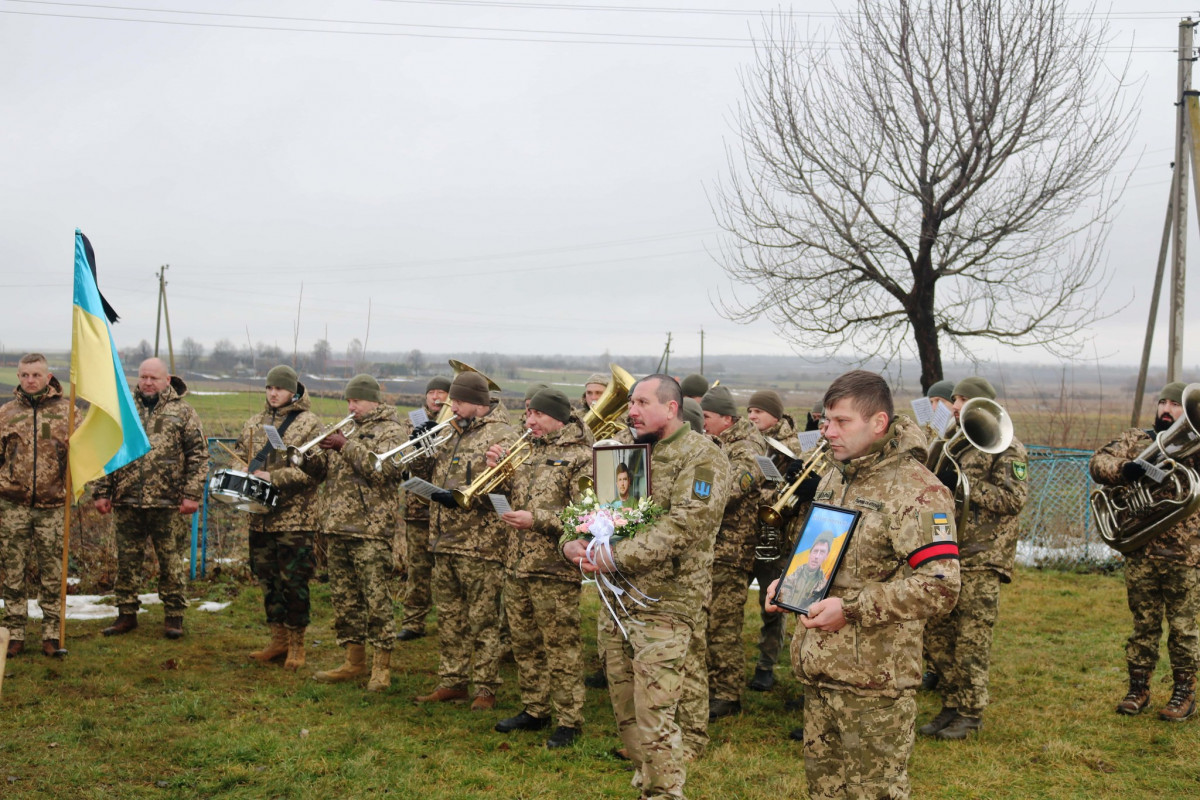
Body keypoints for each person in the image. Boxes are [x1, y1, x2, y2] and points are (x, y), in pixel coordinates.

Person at [765, 370, 959, 800]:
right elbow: (830, 553)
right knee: (825, 791)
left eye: (840, 422)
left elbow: (941, 586)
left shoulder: (918, 492)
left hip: (874, 684)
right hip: (820, 671)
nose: (827, 431)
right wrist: (792, 585)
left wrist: (850, 609)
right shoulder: (838, 475)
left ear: (879, 423)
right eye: (826, 420)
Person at [563, 374, 729, 800]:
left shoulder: (703, 458)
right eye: (630, 402)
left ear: (671, 408)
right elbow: (594, 512)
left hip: (666, 603)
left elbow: (686, 526)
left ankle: (665, 793)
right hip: (616, 603)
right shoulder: (624, 452)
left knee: (654, 713)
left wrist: (616, 556)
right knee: (627, 713)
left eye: (640, 402)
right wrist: (573, 541)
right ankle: (648, 779)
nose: (630, 410)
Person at [920, 376, 1028, 740]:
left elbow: (1013, 500)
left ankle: (971, 712)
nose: (955, 404)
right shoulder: (953, 441)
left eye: (963, 398)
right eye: (954, 398)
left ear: (982, 405)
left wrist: (965, 484)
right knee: (938, 634)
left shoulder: (1007, 446)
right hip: (948, 551)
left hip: (983, 557)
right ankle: (951, 704)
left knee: (971, 639)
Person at [1091, 381, 1200, 722]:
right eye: (1163, 402)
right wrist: (1124, 470)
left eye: (1175, 404)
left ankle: (1184, 694)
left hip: (1186, 555)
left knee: (1184, 629)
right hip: (1141, 551)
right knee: (1143, 626)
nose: (1167, 409)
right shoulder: (1136, 439)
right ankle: (1138, 688)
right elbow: (1098, 462)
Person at [489, 388, 591, 748]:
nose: (529, 420)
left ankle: (569, 719)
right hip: (517, 563)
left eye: (537, 415)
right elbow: (508, 498)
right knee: (525, 643)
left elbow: (586, 514)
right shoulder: (527, 449)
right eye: (528, 414)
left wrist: (539, 520)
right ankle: (534, 708)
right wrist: (497, 473)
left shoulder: (581, 457)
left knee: (561, 647)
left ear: (558, 419)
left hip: (553, 567)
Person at [415, 370, 516, 711]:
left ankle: (486, 687)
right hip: (444, 541)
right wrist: (421, 444)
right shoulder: (450, 430)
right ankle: (452, 680)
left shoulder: (502, 435)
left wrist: (463, 498)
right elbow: (420, 473)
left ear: (476, 403)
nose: (451, 406)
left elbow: (509, 490)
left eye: (457, 401)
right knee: (449, 616)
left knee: (485, 620)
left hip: (482, 544)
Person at [94, 358, 207, 640]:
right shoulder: (124, 410)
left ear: (167, 380)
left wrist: (192, 494)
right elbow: (105, 451)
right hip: (127, 499)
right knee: (127, 562)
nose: (147, 382)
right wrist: (102, 491)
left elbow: (199, 455)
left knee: (170, 562)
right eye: (143, 377)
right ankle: (126, 614)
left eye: (153, 378)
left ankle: (173, 617)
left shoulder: (183, 412)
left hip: (168, 504)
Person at [311, 374, 406, 692]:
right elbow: (325, 473)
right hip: (338, 525)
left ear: (374, 401)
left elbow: (387, 470)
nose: (351, 406)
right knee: (344, 598)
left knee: (376, 599)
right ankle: (353, 660)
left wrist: (345, 446)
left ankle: (382, 666)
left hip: (370, 528)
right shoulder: (347, 429)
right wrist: (309, 459)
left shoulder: (392, 430)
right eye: (348, 400)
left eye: (357, 401)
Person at [235, 365, 325, 671]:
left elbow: (317, 472)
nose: (273, 393)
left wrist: (272, 476)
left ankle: (297, 645)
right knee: (268, 580)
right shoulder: (254, 422)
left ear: (294, 391)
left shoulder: (309, 424)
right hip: (259, 517)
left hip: (294, 520)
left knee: (294, 583)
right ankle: (278, 640)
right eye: (269, 388)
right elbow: (240, 456)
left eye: (280, 388)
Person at [0, 354, 80, 657]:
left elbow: (82, 457)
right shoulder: (6, 413)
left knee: (52, 572)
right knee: (13, 570)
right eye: (24, 375)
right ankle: (15, 633)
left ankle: (50, 634)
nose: (30, 380)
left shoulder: (69, 413)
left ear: (48, 378)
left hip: (53, 506)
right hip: (13, 506)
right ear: (18, 377)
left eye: (36, 374)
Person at [700, 385, 769, 723]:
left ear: (727, 419)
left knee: (723, 625)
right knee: (707, 621)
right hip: (713, 548)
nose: (702, 423)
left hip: (730, 551)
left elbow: (733, 487)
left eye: (707, 417)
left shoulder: (747, 448)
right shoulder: (720, 441)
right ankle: (711, 686)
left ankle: (727, 693)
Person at [745, 388, 802, 692]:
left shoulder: (791, 447)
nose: (752, 416)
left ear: (775, 415)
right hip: (745, 535)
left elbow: (790, 494)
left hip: (775, 537)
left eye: (758, 411)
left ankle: (766, 665)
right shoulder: (751, 441)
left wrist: (754, 495)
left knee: (771, 605)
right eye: (749, 411)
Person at [396, 375, 451, 642]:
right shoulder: (412, 419)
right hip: (418, 508)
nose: (437, 398)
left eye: (443, 393)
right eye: (433, 393)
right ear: (426, 396)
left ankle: (449, 621)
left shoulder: (455, 423)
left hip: (448, 509)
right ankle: (414, 621)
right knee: (418, 568)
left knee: (448, 572)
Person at [786, 532, 834, 611]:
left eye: (822, 552)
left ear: (826, 556)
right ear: (810, 553)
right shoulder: (791, 574)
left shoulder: (823, 584)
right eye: (815, 551)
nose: (816, 556)